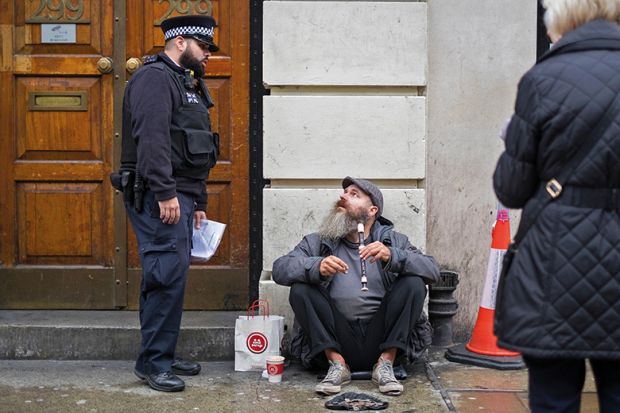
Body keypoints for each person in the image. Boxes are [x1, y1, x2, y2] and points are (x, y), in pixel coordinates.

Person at [493, 1, 620, 412]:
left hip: (553, 266)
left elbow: (510, 190)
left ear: (562, 18)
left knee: (554, 399)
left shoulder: (542, 78)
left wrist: (513, 139)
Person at [113, 15, 220, 392]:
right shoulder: (154, 79)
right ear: (179, 43)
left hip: (182, 194)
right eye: (203, 47)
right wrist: (165, 193)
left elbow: (196, 145)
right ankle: (153, 363)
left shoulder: (186, 81)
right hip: (161, 196)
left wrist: (199, 199)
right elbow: (153, 140)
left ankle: (162, 353)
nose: (207, 54)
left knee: (171, 277)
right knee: (164, 276)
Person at [272, 177, 440, 396]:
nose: (343, 197)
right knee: (301, 289)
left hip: (383, 340)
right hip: (335, 341)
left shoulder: (394, 241)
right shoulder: (318, 242)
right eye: (344, 192)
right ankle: (337, 366)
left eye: (354, 194)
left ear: (372, 210)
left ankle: (385, 365)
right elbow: (280, 269)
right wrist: (317, 266)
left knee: (414, 283)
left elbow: (433, 270)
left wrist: (393, 256)